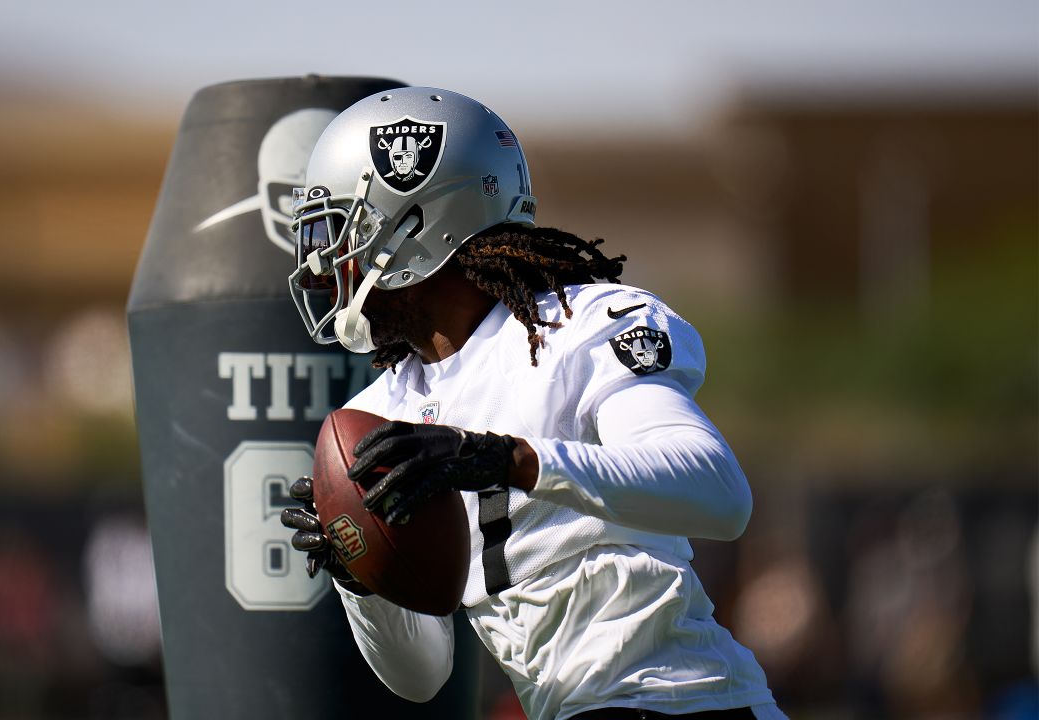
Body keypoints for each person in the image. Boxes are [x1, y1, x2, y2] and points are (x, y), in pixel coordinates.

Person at [280, 86, 786, 720]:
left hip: (685, 699)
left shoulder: (577, 328)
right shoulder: (383, 411)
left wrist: (505, 460)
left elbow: (719, 492)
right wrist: (360, 575)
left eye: (341, 232)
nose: (325, 265)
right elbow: (423, 676)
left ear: (412, 228)